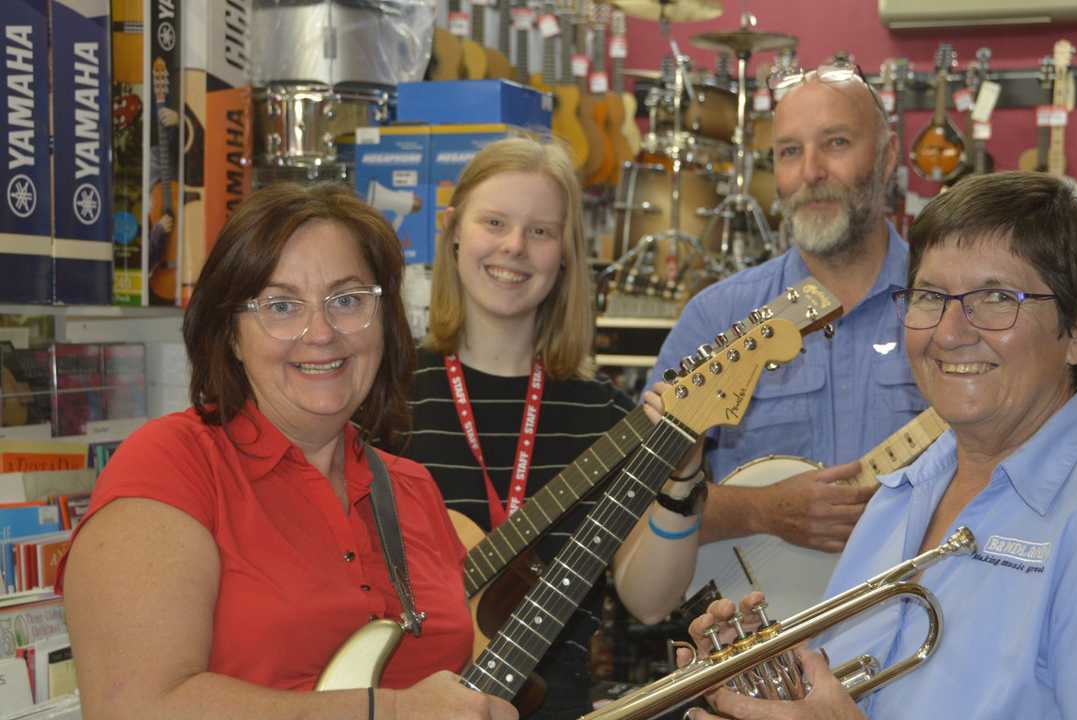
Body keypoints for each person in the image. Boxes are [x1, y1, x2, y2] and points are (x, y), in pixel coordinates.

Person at [683, 171, 1077, 720]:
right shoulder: (898, 499)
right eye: (929, 296)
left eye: (997, 298)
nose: (950, 332)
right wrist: (773, 687)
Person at [651, 57, 1077, 554]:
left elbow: (1064, 471)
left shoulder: (967, 313)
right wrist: (760, 511)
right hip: (761, 632)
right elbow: (635, 503)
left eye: (835, 143)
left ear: (886, 159)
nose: (810, 171)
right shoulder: (716, 318)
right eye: (789, 151)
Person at [58, 183, 516, 720]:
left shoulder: (413, 489)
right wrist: (388, 712)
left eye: (347, 301)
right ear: (231, 334)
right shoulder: (171, 466)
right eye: (280, 305)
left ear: (385, 322)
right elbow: (131, 709)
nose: (320, 333)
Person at [403, 136, 702, 719]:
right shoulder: (385, 394)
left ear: (564, 254)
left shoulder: (607, 415)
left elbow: (649, 601)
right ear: (453, 229)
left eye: (541, 232)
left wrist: (682, 482)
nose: (514, 247)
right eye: (495, 222)